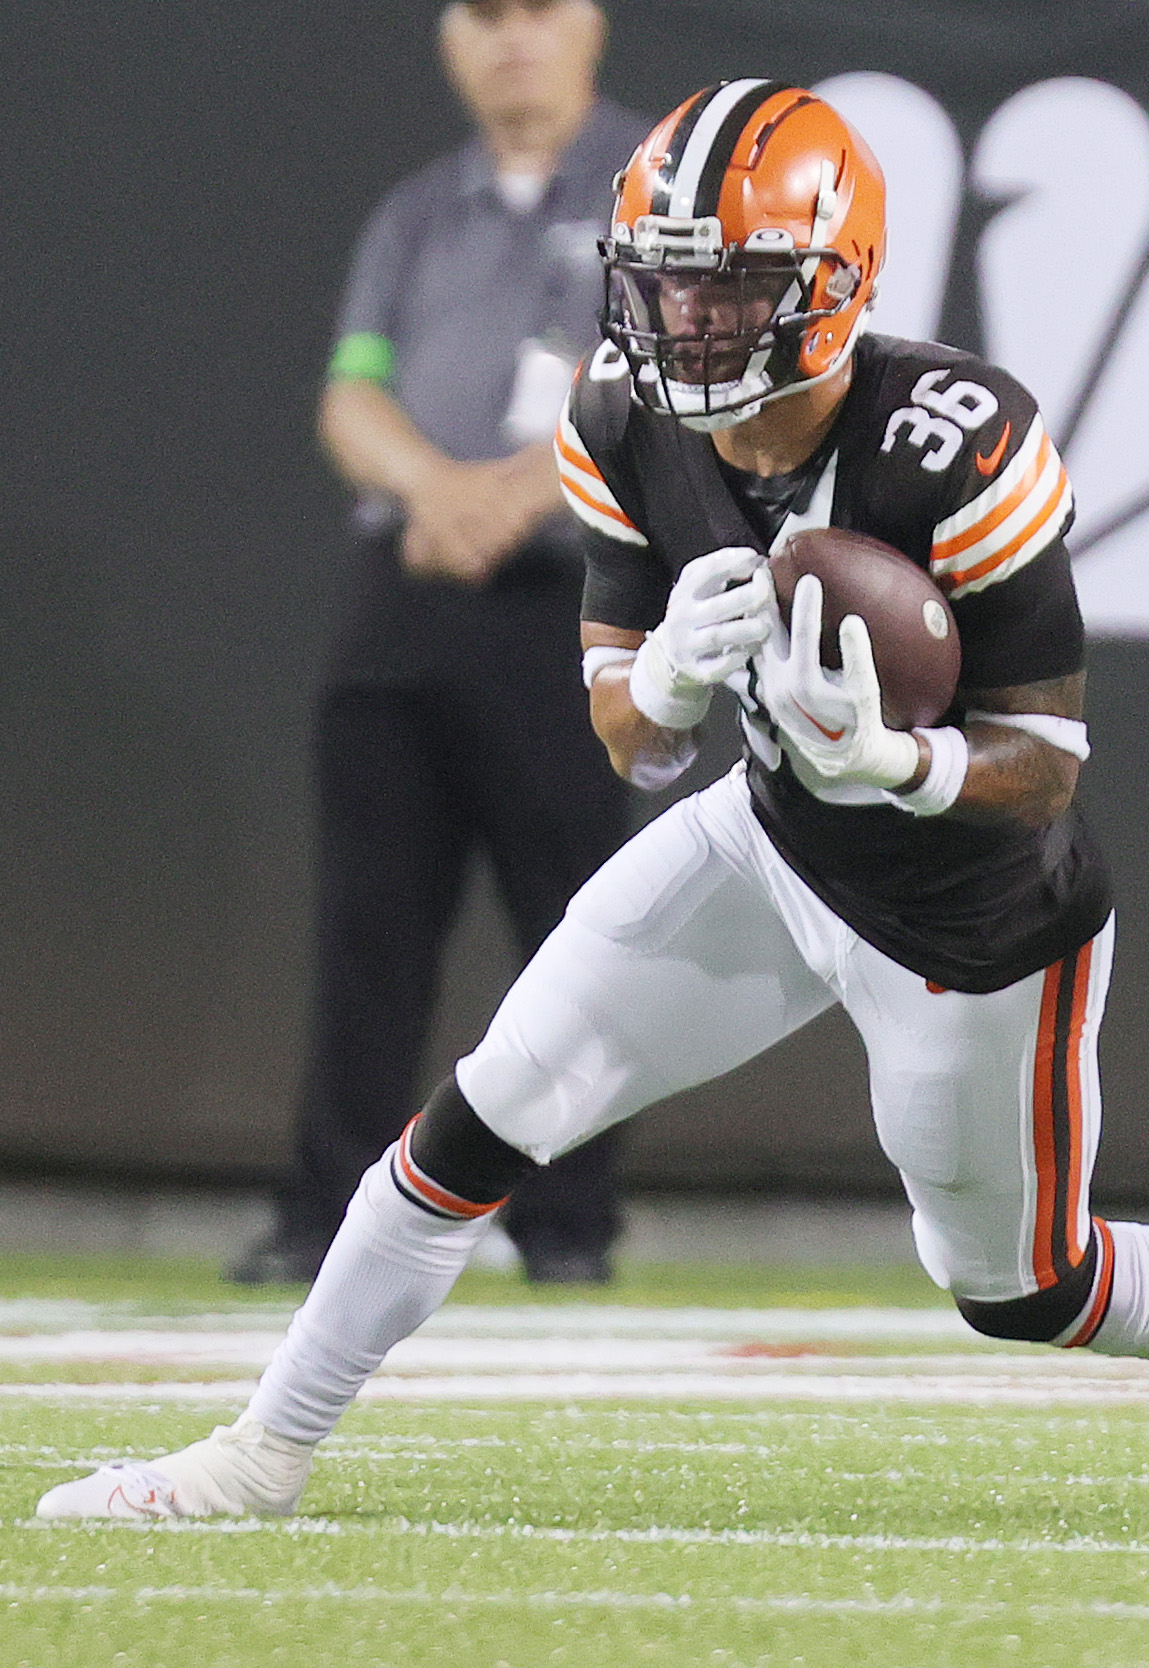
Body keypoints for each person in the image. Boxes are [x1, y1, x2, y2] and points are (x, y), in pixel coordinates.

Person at [38, 82, 1149, 1528]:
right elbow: (625, 729)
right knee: (480, 1115)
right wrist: (670, 682)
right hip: (773, 840)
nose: (689, 325)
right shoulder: (618, 415)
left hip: (971, 924)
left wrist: (901, 764)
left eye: (733, 290)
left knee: (1028, 1289)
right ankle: (260, 1454)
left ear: (835, 282)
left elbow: (1046, 761)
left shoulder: (956, 442)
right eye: (665, 288)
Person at [234, 0, 647, 1288]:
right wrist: (433, 492)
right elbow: (353, 387)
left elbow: (661, 378)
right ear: (448, 38)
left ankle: (566, 1229)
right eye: (483, 13)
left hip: (573, 597)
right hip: (407, 593)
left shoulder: (659, 193)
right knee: (370, 924)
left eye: (537, 10)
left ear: (591, 24)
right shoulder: (416, 212)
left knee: (581, 934)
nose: (511, 37)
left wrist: (512, 491)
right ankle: (324, 1220)